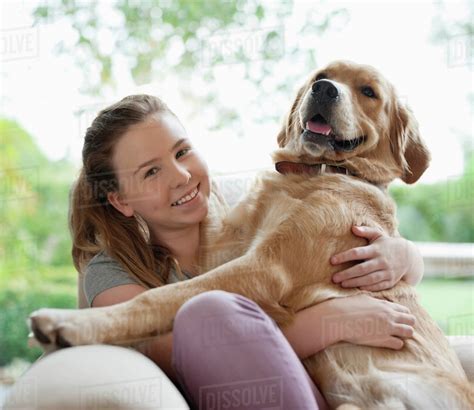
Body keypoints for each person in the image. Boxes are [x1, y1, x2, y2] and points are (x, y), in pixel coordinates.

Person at [9, 95, 423, 410]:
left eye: (182, 151)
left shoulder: (248, 210)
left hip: (336, 386)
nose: (182, 175)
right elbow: (187, 350)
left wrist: (403, 255)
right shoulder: (111, 271)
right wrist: (328, 323)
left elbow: (330, 247)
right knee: (206, 313)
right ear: (120, 201)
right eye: (152, 172)